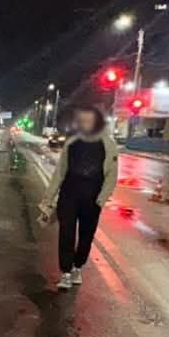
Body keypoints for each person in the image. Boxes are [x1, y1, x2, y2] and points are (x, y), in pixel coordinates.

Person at [40, 104, 119, 290]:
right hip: (69, 195)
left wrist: (102, 198)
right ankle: (65, 272)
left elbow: (112, 175)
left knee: (86, 236)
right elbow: (59, 173)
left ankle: (77, 267)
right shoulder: (72, 142)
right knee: (66, 233)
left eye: (89, 119)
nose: (85, 123)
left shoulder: (108, 144)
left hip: (93, 199)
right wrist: (48, 199)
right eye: (82, 119)